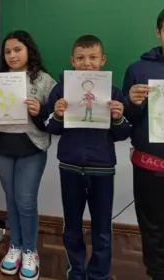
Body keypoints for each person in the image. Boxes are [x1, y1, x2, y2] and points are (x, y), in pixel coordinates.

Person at [33, 35, 130, 280]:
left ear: (102, 60)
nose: (87, 63)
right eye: (80, 58)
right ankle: (75, 272)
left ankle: (99, 275)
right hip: (70, 167)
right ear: (72, 61)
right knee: (72, 228)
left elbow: (121, 134)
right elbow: (50, 128)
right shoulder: (61, 90)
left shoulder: (113, 91)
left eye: (93, 58)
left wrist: (118, 117)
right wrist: (56, 114)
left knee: (102, 229)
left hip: (103, 168)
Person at [0, 30, 56, 280]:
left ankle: (30, 250)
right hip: (2, 145)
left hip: (31, 146)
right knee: (10, 199)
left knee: (25, 201)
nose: (12, 55)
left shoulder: (44, 81)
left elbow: (54, 120)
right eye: (8, 51)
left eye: (17, 50)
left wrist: (40, 110)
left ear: (28, 50)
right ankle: (15, 246)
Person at [122, 3, 164, 280]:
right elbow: (127, 121)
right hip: (151, 169)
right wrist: (133, 103)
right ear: (158, 32)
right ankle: (158, 275)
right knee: (153, 230)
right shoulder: (137, 69)